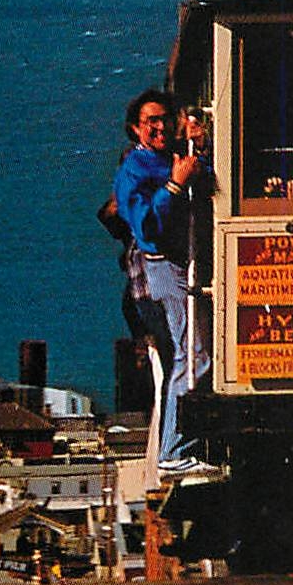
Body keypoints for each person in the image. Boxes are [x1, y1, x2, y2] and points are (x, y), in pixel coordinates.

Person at [100, 89, 216, 480]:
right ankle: (173, 450)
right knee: (192, 355)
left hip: (183, 266)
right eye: (150, 121)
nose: (159, 126)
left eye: (164, 118)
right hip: (163, 269)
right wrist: (174, 186)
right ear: (135, 129)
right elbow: (146, 228)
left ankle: (178, 447)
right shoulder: (135, 168)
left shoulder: (169, 159)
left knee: (191, 356)